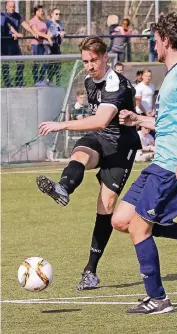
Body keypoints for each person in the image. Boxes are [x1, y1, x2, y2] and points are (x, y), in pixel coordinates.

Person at [111, 12, 177, 315]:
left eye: (156, 39)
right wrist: (137, 118)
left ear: (166, 40)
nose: (154, 44)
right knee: (122, 221)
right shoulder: (173, 75)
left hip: (172, 167)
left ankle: (158, 298)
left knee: (140, 227)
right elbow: (171, 124)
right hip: (160, 162)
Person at [36, 36, 141, 290]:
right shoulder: (87, 80)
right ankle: (63, 187)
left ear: (105, 57)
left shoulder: (116, 84)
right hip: (101, 138)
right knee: (81, 152)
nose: (90, 65)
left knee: (105, 206)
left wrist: (62, 124)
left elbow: (102, 120)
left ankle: (91, 271)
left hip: (121, 146)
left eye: (94, 60)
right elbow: (99, 126)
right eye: (85, 61)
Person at [1, 0, 38, 87]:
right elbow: (8, 26)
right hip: (5, 44)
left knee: (20, 62)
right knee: (6, 64)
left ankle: (19, 82)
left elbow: (24, 24)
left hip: (14, 44)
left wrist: (32, 32)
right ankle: (7, 83)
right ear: (6, 7)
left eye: (13, 6)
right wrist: (14, 34)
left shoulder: (17, 15)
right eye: (10, 6)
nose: (12, 8)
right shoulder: (3, 15)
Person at [29, 5, 53, 85]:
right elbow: (37, 32)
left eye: (42, 11)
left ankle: (40, 80)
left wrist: (49, 35)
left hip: (44, 44)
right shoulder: (32, 21)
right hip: (36, 44)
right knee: (36, 63)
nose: (41, 12)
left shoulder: (43, 21)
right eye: (39, 11)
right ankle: (36, 81)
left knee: (46, 62)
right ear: (35, 12)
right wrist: (47, 37)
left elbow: (46, 31)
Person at [46, 8, 65, 86]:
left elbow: (62, 31)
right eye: (56, 14)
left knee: (58, 65)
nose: (58, 16)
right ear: (52, 14)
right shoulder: (48, 23)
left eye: (59, 14)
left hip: (57, 45)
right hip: (50, 45)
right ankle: (49, 80)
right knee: (51, 64)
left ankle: (58, 82)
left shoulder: (59, 23)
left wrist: (62, 33)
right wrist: (58, 33)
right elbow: (49, 33)